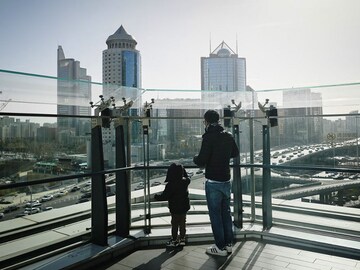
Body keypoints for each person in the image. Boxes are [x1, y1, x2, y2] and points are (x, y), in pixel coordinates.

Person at [193, 109, 239, 257]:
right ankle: (228, 244)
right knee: (226, 214)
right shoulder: (228, 135)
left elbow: (201, 161)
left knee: (215, 216)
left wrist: (195, 158)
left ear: (206, 121)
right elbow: (235, 153)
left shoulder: (208, 137)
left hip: (213, 182)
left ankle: (219, 247)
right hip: (226, 180)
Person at [154, 163, 191, 247]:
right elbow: (188, 177)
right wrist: (183, 169)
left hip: (174, 208)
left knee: (174, 224)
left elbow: (164, 196)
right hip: (184, 207)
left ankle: (174, 240)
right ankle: (182, 239)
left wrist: (156, 196)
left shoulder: (170, 184)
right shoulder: (185, 182)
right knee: (182, 223)